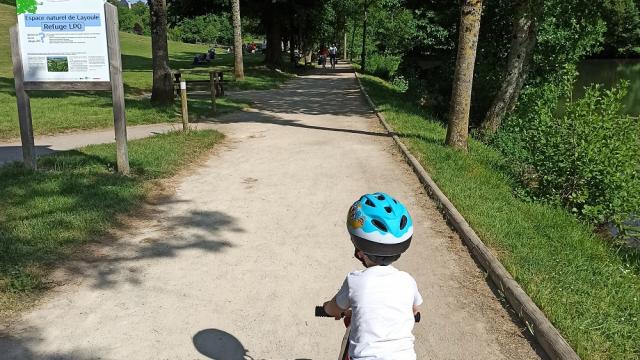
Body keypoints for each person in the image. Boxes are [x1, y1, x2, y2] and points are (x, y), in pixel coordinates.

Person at [323, 192, 422, 360]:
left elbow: (334, 308)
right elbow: (415, 309)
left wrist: (328, 309)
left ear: (360, 251)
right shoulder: (407, 281)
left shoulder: (355, 281)